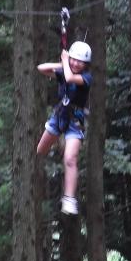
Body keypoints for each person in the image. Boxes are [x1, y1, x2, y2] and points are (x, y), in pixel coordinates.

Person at [36, 41, 92, 215]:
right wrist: (63, 62)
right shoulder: (65, 69)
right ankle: (60, 142)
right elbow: (41, 68)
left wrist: (67, 63)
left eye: (80, 62)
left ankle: (69, 199)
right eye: (74, 60)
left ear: (86, 65)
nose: (76, 64)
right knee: (40, 150)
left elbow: (69, 78)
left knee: (70, 159)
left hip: (74, 122)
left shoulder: (86, 78)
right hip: (59, 117)